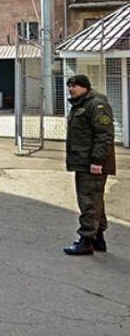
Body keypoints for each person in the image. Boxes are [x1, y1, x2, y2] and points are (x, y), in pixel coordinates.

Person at [63, 74, 116, 255]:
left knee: (89, 201)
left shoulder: (96, 104)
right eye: (69, 86)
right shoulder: (81, 104)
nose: (71, 89)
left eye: (74, 86)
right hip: (83, 162)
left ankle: (86, 241)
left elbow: (104, 135)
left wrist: (97, 160)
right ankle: (97, 239)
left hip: (92, 163)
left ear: (85, 87)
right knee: (94, 200)